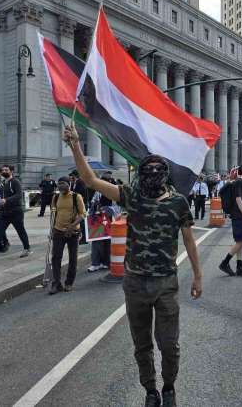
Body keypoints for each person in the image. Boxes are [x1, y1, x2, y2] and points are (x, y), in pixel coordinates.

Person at [63, 125, 202, 407]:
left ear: (164, 174)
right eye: (146, 169)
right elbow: (90, 180)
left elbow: (189, 240)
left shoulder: (178, 203)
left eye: (156, 169)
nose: (151, 174)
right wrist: (75, 144)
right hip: (136, 282)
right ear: (141, 173)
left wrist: (198, 276)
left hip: (165, 283)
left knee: (169, 345)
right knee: (142, 345)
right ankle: (150, 391)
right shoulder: (131, 196)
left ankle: (169, 388)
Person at [49, 176, 86, 294]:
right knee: (55, 258)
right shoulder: (55, 197)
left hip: (72, 232)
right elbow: (54, 214)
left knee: (73, 258)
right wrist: (51, 230)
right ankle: (56, 284)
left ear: (69, 184)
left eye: (63, 183)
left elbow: (82, 214)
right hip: (58, 231)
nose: (60, 186)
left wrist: (72, 225)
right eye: (59, 183)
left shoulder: (76, 197)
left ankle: (69, 283)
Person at [0, 165, 32, 262]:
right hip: (4, 213)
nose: (4, 171)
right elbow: (0, 199)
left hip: (16, 212)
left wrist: (6, 200)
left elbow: (19, 195)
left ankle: (27, 248)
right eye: (3, 170)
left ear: (11, 171)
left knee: (20, 231)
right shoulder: (2, 184)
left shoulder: (15, 182)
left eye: (6, 170)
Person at [219, 163, 242, 278]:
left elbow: (241, 199)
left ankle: (239, 267)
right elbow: (238, 199)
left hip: (238, 215)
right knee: (240, 242)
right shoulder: (239, 182)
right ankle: (225, 263)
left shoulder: (240, 183)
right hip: (239, 216)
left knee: (241, 241)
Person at [88, 172, 118, 273]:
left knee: (108, 242)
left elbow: (118, 207)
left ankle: (106, 262)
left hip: (110, 219)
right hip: (98, 219)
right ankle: (95, 263)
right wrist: (95, 207)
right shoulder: (98, 191)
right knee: (97, 240)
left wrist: (107, 209)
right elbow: (93, 203)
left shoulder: (116, 190)